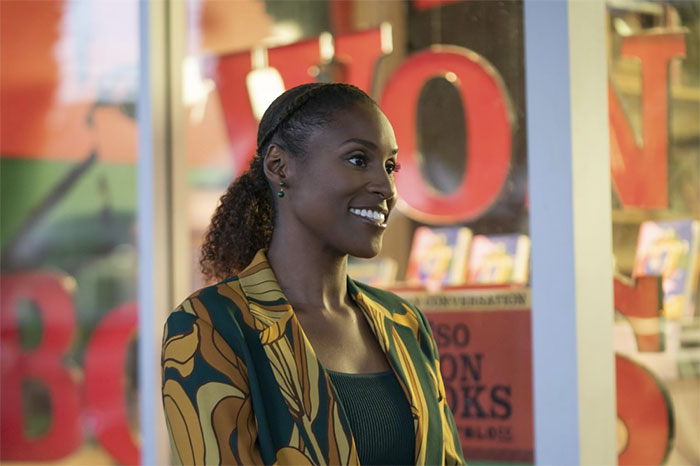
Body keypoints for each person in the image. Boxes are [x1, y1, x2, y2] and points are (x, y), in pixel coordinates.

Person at [161, 82, 465, 465]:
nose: (386, 187)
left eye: (390, 166)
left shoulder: (404, 323)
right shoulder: (210, 327)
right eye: (358, 159)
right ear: (279, 166)